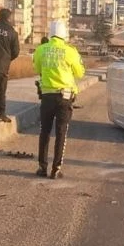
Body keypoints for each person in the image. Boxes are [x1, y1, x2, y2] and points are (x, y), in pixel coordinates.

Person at [33, 20, 85, 179]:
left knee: (44, 132)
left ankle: (42, 167)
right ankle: (56, 169)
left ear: (50, 34)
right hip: (65, 97)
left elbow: (37, 69)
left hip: (47, 97)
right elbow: (80, 73)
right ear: (64, 35)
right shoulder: (70, 51)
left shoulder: (41, 49)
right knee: (61, 132)